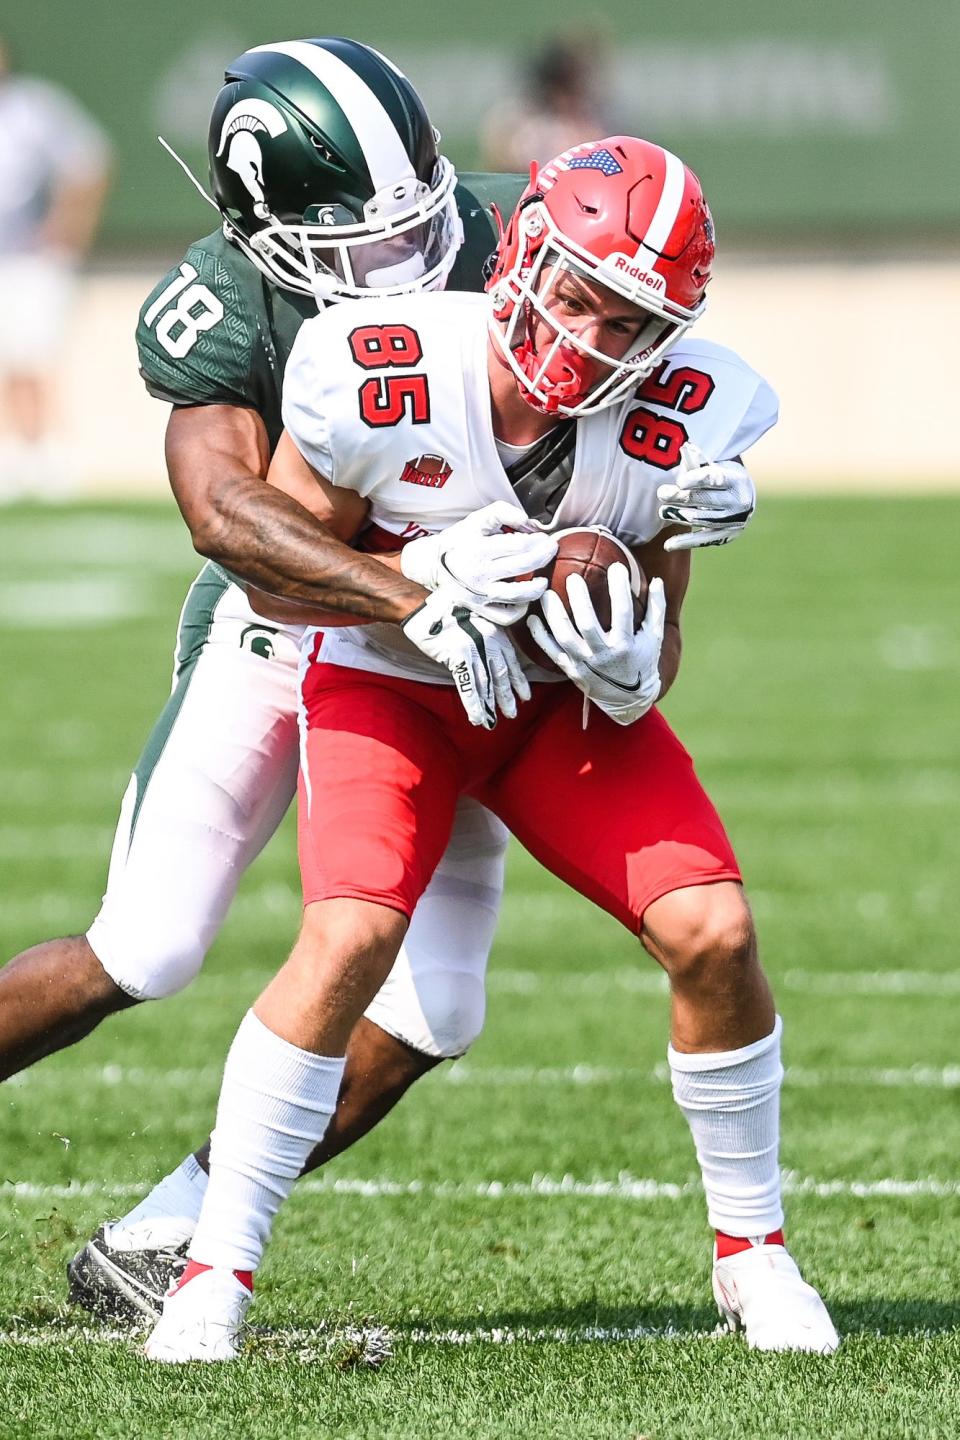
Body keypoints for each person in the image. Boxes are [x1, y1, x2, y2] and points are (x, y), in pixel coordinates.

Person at [0, 43, 754, 1323]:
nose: (402, 266)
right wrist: (412, 590)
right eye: (358, 245)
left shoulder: (510, 233)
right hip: (293, 619)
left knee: (437, 1007)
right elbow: (229, 518)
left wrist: (680, 504)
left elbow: (636, 345)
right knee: (153, 942)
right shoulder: (223, 303)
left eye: (420, 222)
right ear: (262, 231)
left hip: (469, 634)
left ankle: (170, 1231)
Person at [143, 136, 838, 1362]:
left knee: (714, 931)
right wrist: (407, 583)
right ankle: (213, 1270)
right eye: (576, 293)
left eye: (630, 323)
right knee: (350, 936)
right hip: (389, 684)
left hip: (543, 705)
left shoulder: (689, 411)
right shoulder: (380, 362)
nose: (590, 338)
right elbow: (280, 584)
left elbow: (656, 639)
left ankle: (755, 1255)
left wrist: (630, 659)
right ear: (518, 253)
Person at [0, 36, 112, 499]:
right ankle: (14, 453)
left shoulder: (33, 107)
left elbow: (88, 162)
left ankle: (48, 454)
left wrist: (67, 229)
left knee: (34, 354)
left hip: (28, 258)